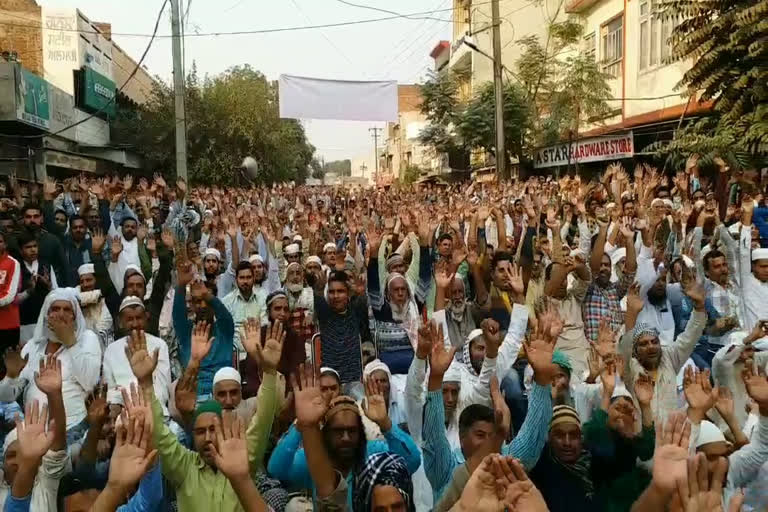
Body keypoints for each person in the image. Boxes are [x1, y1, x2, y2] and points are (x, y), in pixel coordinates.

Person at [125, 306, 282, 512]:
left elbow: (262, 423)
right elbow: (161, 436)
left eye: (213, 429)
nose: (207, 437)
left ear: (225, 430)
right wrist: (145, 383)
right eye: (200, 432)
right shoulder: (184, 468)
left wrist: (270, 372)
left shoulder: (242, 461)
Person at [421, 310, 556, 502]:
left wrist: (542, 379)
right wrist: (435, 379)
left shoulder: (505, 462)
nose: (488, 442)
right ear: (461, 438)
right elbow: (434, 438)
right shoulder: (446, 469)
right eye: (480, 435)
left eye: (493, 435)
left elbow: (533, 438)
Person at [272, 363, 420, 508]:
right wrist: (301, 424)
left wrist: (385, 423)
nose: (346, 438)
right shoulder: (313, 459)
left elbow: (412, 461)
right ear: (327, 433)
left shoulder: (372, 454)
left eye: (352, 431)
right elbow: (276, 470)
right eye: (338, 431)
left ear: (361, 432)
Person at [0, 288, 101, 443]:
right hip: (34, 430)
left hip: (73, 428)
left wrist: (70, 342)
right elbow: (7, 397)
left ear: (75, 317)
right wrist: (11, 376)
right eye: (55, 309)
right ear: (46, 316)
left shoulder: (87, 339)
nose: (61, 314)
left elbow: (91, 383)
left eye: (67, 310)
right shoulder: (33, 347)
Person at [619, 280, 707, 424]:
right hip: (642, 438)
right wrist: (631, 315)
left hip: (670, 436)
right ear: (635, 352)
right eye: (644, 344)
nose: (651, 347)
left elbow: (690, 336)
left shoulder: (669, 358)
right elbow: (625, 349)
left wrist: (699, 306)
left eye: (654, 342)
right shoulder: (631, 368)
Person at [0, 357, 67, 511]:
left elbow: (57, 444)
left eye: (24, 453)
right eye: (10, 456)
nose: (17, 461)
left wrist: (54, 395)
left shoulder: (45, 479)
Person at [174, 261, 235, 399]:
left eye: (205, 300)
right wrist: (181, 285)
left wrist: (206, 295)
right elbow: (178, 314)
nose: (202, 305)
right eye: (196, 301)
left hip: (225, 395)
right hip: (194, 396)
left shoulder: (224, 329)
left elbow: (224, 315)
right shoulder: (186, 332)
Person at [102, 297, 171, 415]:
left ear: (146, 318)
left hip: (155, 410)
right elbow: (110, 391)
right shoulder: (111, 349)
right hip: (122, 413)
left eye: (138, 318)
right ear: (120, 322)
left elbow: (163, 388)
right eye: (129, 319)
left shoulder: (159, 345)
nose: (135, 324)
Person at [314, 271, 371, 396]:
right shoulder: (325, 314)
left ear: (348, 294)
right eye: (331, 292)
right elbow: (318, 299)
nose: (335, 296)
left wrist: (360, 294)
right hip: (330, 382)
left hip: (353, 381)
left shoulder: (355, 312)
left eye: (340, 291)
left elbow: (362, 302)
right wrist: (318, 289)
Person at [222, 261, 266, 361]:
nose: (245, 281)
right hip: (235, 356)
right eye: (242, 278)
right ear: (236, 279)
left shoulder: (263, 297)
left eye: (248, 277)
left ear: (254, 278)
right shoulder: (227, 302)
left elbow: (264, 325)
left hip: (258, 353)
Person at [16, 231, 56, 344]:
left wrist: (48, 286)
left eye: (35, 246)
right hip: (24, 322)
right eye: (28, 247)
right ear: (20, 250)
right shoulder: (16, 267)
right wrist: (29, 290)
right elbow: (13, 299)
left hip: (45, 321)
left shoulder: (46, 266)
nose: (33, 250)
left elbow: (56, 294)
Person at [75, 263, 113, 349]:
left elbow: (106, 325)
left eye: (89, 280)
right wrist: (97, 294)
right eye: (82, 281)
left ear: (96, 280)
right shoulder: (76, 297)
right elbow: (75, 297)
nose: (85, 284)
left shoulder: (107, 299)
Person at [0, 231, 20, 361]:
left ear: (5, 244)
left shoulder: (13, 263)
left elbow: (10, 295)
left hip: (8, 325)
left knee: (8, 368)